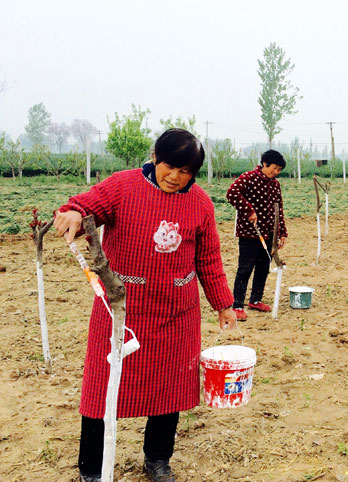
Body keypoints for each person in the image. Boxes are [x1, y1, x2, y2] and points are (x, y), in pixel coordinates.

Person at [54, 128, 236, 482]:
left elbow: (209, 258)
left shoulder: (199, 202)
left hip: (176, 312)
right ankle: (92, 469)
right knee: (101, 389)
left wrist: (223, 303)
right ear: (156, 158)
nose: (176, 177)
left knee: (171, 390)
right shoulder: (122, 186)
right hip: (123, 311)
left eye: (186, 172)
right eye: (171, 167)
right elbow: (85, 204)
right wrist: (73, 212)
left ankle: (157, 459)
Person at [226, 150, 288, 321]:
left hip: (268, 233)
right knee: (245, 268)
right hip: (249, 232)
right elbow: (231, 193)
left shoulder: (275, 185)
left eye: (279, 170)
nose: (276, 172)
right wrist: (249, 210)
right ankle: (237, 304)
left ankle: (255, 299)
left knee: (263, 267)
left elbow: (279, 210)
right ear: (264, 164)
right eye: (274, 168)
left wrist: (282, 232)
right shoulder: (248, 178)